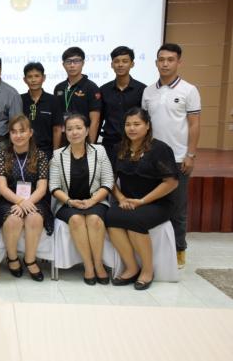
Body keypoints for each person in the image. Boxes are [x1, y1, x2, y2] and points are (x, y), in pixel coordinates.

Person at [142, 43, 200, 269]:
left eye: (170, 59)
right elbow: (144, 126)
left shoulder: (189, 90)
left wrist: (190, 154)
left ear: (179, 62)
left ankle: (179, 249)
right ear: (156, 62)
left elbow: (194, 125)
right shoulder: (148, 91)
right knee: (151, 204)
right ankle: (153, 249)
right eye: (161, 59)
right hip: (151, 158)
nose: (165, 64)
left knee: (177, 207)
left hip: (177, 158)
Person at [106, 108, 179, 290]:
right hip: (129, 201)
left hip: (157, 203)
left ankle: (147, 270)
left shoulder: (159, 149)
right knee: (110, 217)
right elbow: (109, 179)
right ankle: (131, 268)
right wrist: (121, 198)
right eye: (128, 124)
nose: (132, 128)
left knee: (135, 220)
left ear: (147, 126)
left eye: (137, 124)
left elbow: (171, 182)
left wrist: (143, 201)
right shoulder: (119, 148)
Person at [49, 113, 114, 285]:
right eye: (70, 129)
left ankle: (98, 264)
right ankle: (88, 266)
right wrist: (69, 201)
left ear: (86, 130)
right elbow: (54, 187)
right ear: (65, 132)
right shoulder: (57, 155)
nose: (74, 132)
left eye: (79, 128)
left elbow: (108, 181)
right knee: (76, 220)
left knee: (94, 220)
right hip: (67, 203)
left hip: (96, 201)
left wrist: (92, 201)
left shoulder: (99, 151)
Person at [0, 115, 53, 281]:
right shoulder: (2, 156)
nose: (18, 135)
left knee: (34, 218)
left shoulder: (40, 156)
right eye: (14, 132)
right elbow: (2, 188)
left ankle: (30, 259)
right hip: (9, 199)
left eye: (22, 131)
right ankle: (12, 258)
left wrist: (27, 202)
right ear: (9, 134)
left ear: (30, 133)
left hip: (35, 199)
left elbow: (42, 188)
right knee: (13, 220)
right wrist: (20, 202)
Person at [100, 46, 147, 166]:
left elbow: (145, 119)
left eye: (125, 61)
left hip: (134, 144)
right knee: (109, 176)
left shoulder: (142, 89)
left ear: (132, 64)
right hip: (109, 144)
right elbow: (99, 119)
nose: (120, 65)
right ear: (112, 65)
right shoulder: (104, 90)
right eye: (116, 61)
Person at [53, 47, 102, 143]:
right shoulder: (59, 88)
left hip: (83, 139)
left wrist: (90, 146)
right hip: (64, 138)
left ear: (83, 63)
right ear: (63, 65)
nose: (72, 65)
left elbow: (95, 121)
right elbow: (56, 120)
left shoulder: (91, 87)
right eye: (68, 62)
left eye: (76, 61)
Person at [20, 62, 62, 160]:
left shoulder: (53, 100)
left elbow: (57, 129)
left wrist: (55, 154)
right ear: (25, 80)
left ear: (43, 78)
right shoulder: (19, 100)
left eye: (37, 76)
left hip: (46, 151)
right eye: (30, 77)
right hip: (23, 150)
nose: (33, 80)